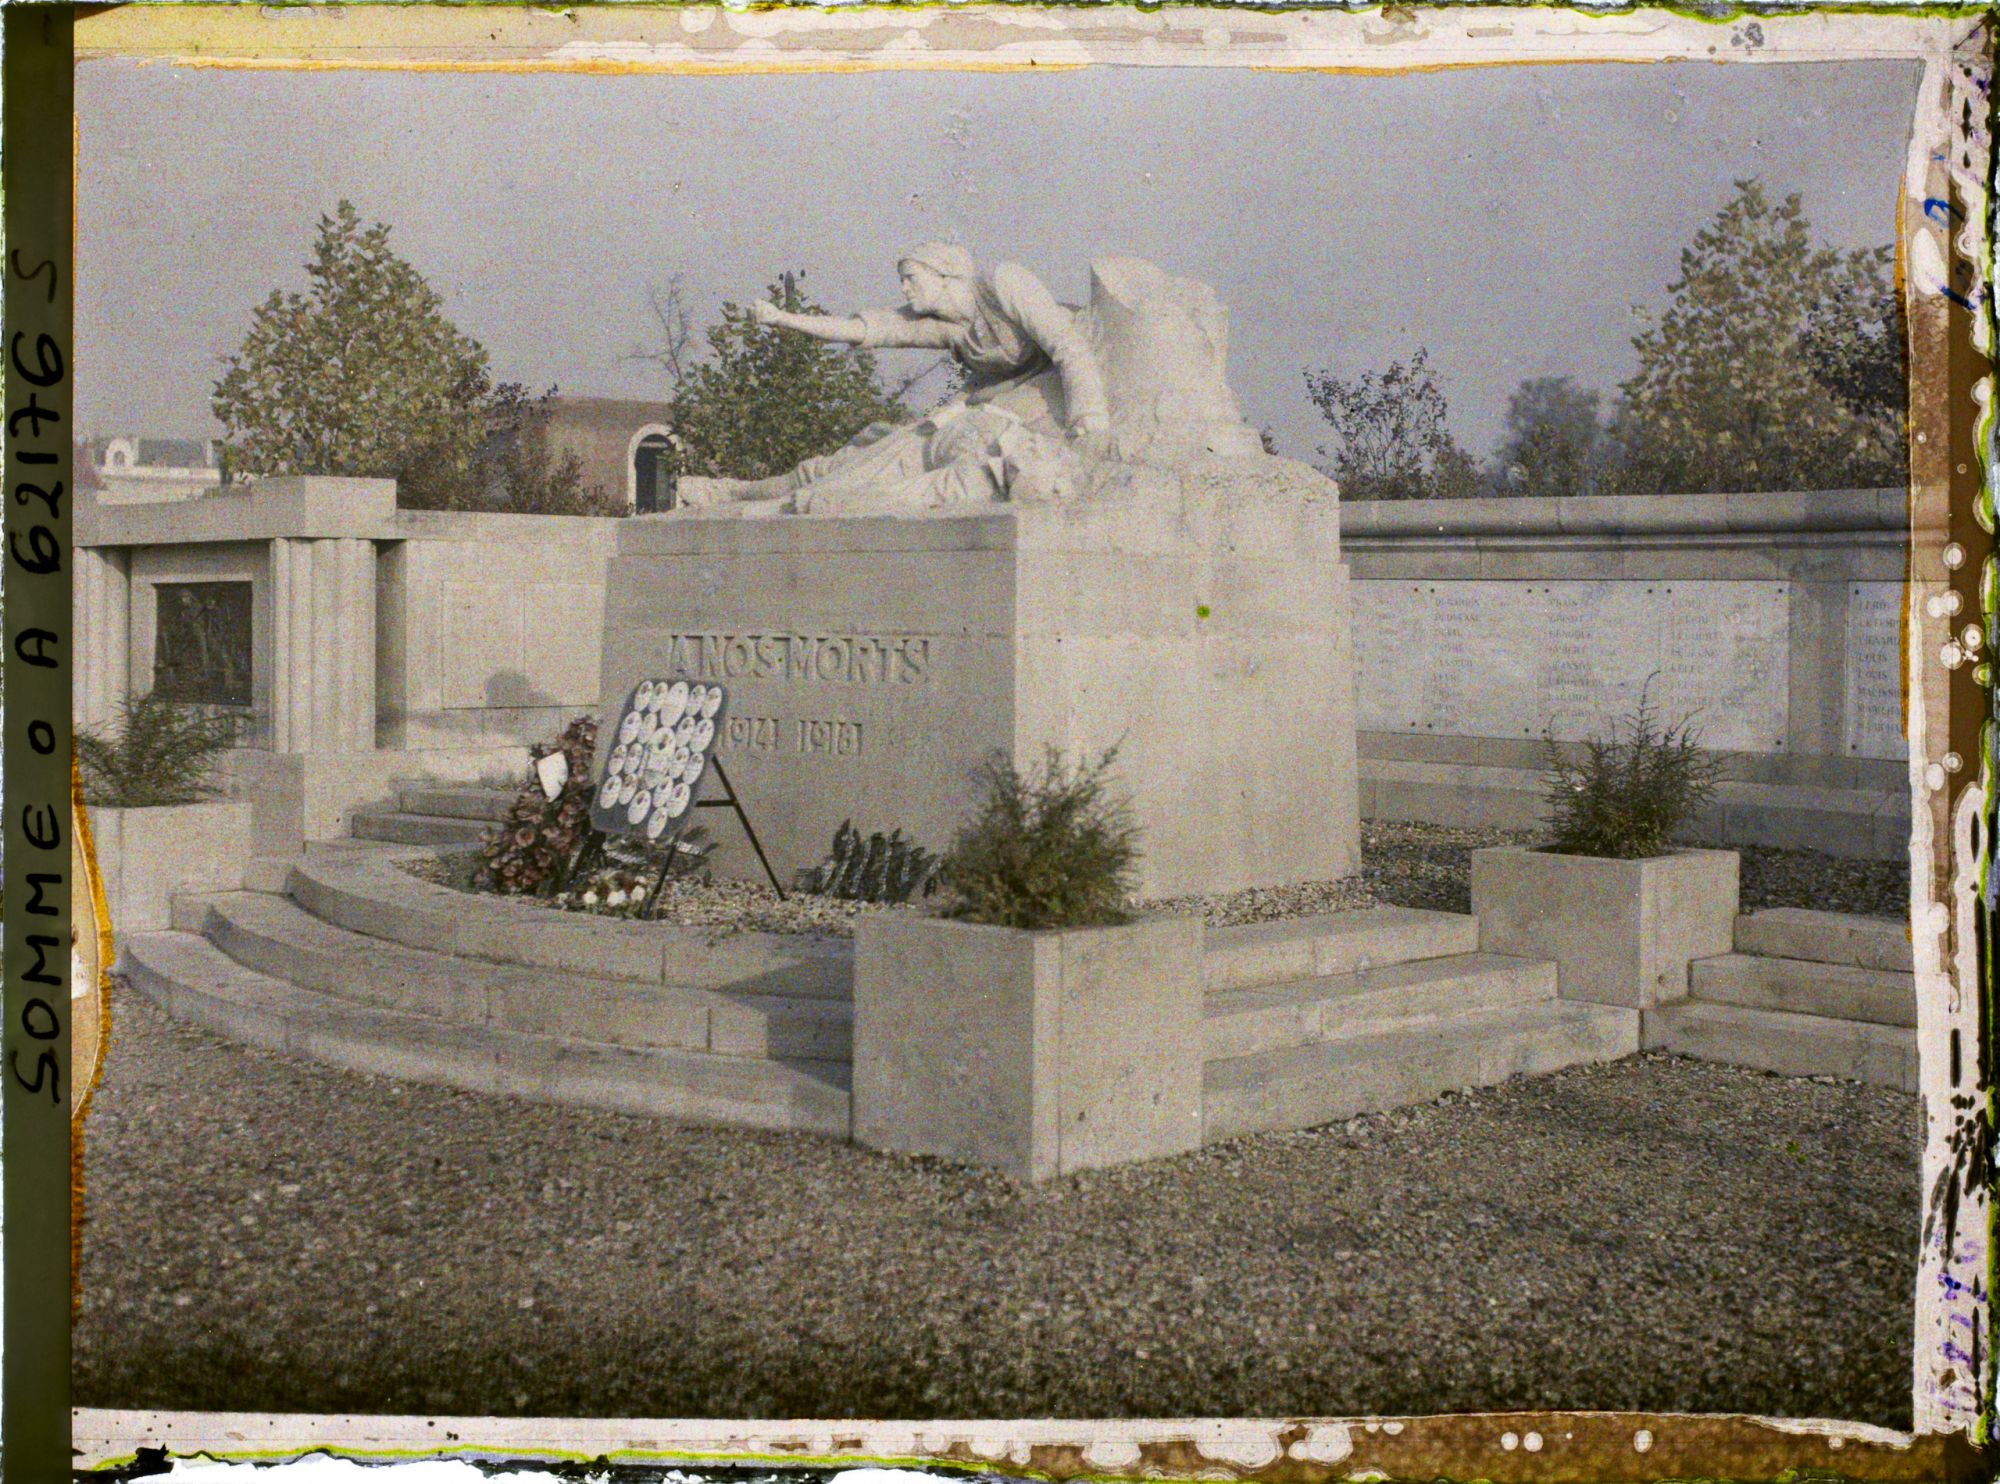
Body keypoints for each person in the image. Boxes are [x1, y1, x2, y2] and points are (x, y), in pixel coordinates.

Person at [677, 244, 1111, 514]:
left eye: (912, 278)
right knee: (848, 463)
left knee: (873, 476)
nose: (905, 289)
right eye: (902, 281)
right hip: (979, 406)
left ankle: (754, 499)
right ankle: (735, 494)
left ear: (945, 276)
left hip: (1045, 396)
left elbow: (1067, 346)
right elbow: (867, 329)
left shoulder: (1002, 282)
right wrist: (783, 319)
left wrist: (1089, 418)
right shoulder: (945, 324)